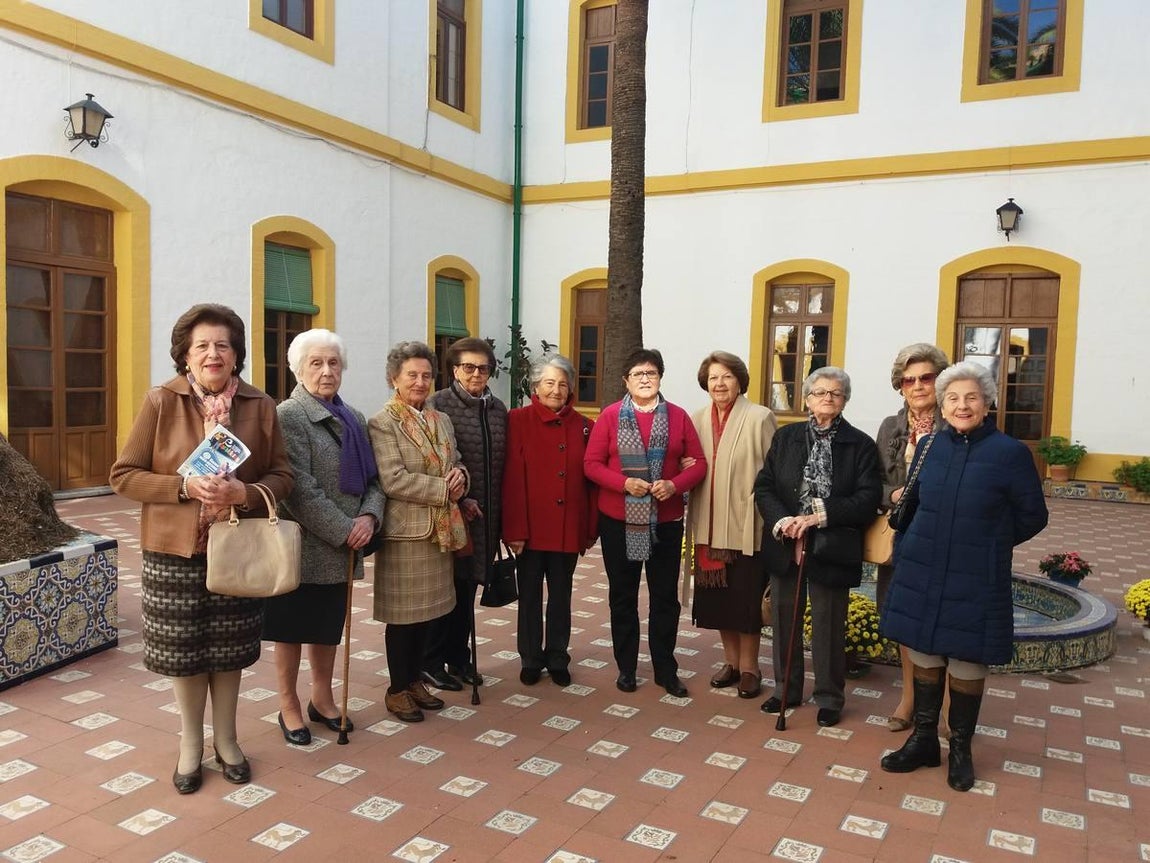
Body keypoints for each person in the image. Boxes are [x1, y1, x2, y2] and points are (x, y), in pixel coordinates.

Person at [110, 303, 293, 794]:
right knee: (184, 653)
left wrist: (245, 493)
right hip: (175, 551)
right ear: (186, 356)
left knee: (229, 650)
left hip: (238, 547)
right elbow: (123, 475)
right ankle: (191, 743)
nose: (213, 354)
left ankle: (227, 740)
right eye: (202, 346)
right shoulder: (161, 401)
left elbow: (283, 475)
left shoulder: (260, 405)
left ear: (236, 354)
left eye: (223, 345)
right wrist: (184, 486)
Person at [880, 362, 1047, 791]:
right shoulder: (929, 446)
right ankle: (922, 741)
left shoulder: (1010, 453)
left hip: (976, 572)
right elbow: (914, 501)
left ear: (987, 403)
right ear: (942, 405)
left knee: (967, 657)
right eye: (952, 398)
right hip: (923, 565)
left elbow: (1033, 515)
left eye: (971, 397)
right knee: (924, 651)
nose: (962, 405)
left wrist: (990, 542)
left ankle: (960, 748)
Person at [265, 329, 384, 745]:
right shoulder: (289, 415)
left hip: (342, 548)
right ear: (298, 369)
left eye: (333, 363)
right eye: (315, 363)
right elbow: (298, 488)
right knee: (291, 628)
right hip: (303, 545)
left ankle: (322, 698)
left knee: (327, 625)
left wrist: (369, 516)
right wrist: (345, 529)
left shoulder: (353, 417)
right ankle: (288, 705)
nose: (326, 371)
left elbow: (374, 479)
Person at [753, 367, 881, 728]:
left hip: (832, 544)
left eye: (836, 393)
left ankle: (829, 697)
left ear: (844, 401)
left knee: (828, 623)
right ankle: (786, 689)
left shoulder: (860, 444)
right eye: (820, 392)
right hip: (786, 541)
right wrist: (784, 520)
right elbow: (764, 486)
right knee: (783, 620)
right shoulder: (787, 437)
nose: (828, 398)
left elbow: (867, 498)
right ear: (807, 398)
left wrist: (817, 517)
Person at [584, 348, 707, 697]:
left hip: (665, 522)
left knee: (664, 597)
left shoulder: (678, 417)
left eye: (651, 373)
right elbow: (591, 465)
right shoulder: (610, 417)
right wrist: (624, 483)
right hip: (618, 521)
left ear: (660, 378)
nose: (644, 379)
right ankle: (626, 668)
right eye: (637, 373)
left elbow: (699, 463)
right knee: (622, 596)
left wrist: (674, 485)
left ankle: (665, 669)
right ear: (626, 380)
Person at [368, 341, 469, 723]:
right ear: (394, 378)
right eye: (412, 374)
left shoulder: (440, 420)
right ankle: (397, 689)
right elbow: (392, 479)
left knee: (428, 615)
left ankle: (414, 682)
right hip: (407, 534)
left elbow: (456, 460)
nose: (420, 382)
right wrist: (444, 489)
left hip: (441, 532)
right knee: (403, 618)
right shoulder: (383, 422)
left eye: (426, 375)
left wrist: (461, 477)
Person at [502, 354, 599, 687]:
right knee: (529, 596)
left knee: (561, 596)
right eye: (549, 383)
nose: (556, 390)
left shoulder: (585, 426)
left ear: (570, 389)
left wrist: (590, 529)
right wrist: (514, 529)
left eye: (562, 384)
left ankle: (557, 656)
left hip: (567, 528)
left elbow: (592, 483)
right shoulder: (517, 420)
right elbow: (511, 478)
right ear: (536, 386)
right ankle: (530, 658)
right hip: (529, 530)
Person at [687, 351, 777, 699]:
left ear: (740, 381)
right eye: (713, 377)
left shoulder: (759, 417)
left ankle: (751, 668)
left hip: (746, 525)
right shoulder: (696, 419)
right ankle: (731, 663)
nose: (719, 383)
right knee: (719, 599)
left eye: (726, 376)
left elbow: (773, 471)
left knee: (746, 599)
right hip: (708, 524)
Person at [424, 337, 508, 691]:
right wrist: (462, 497)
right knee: (445, 589)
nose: (476, 374)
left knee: (468, 587)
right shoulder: (438, 405)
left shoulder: (497, 408)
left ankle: (459, 657)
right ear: (454, 370)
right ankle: (430, 661)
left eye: (483, 368)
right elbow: (433, 461)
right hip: (451, 513)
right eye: (468, 367)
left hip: (486, 517)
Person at [875, 343, 949, 733]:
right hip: (901, 537)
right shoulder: (891, 427)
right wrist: (893, 495)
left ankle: (948, 705)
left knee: (943, 620)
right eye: (909, 380)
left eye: (926, 377)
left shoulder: (956, 421)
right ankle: (908, 698)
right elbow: (873, 482)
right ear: (900, 386)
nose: (917, 386)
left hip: (944, 537)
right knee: (904, 620)